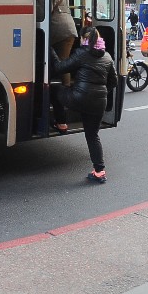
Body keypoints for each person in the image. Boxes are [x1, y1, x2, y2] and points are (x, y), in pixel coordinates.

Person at [49, 26, 117, 183]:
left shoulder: (81, 54)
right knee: (92, 135)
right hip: (99, 103)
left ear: (84, 39)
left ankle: (61, 123)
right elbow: (113, 81)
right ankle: (99, 172)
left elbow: (59, 67)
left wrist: (51, 49)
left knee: (55, 90)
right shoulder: (107, 56)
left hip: (79, 99)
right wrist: (100, 92)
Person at [49, 0, 78, 87]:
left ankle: (66, 88)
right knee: (63, 59)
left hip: (59, 30)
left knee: (63, 62)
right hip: (69, 29)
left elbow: (46, 10)